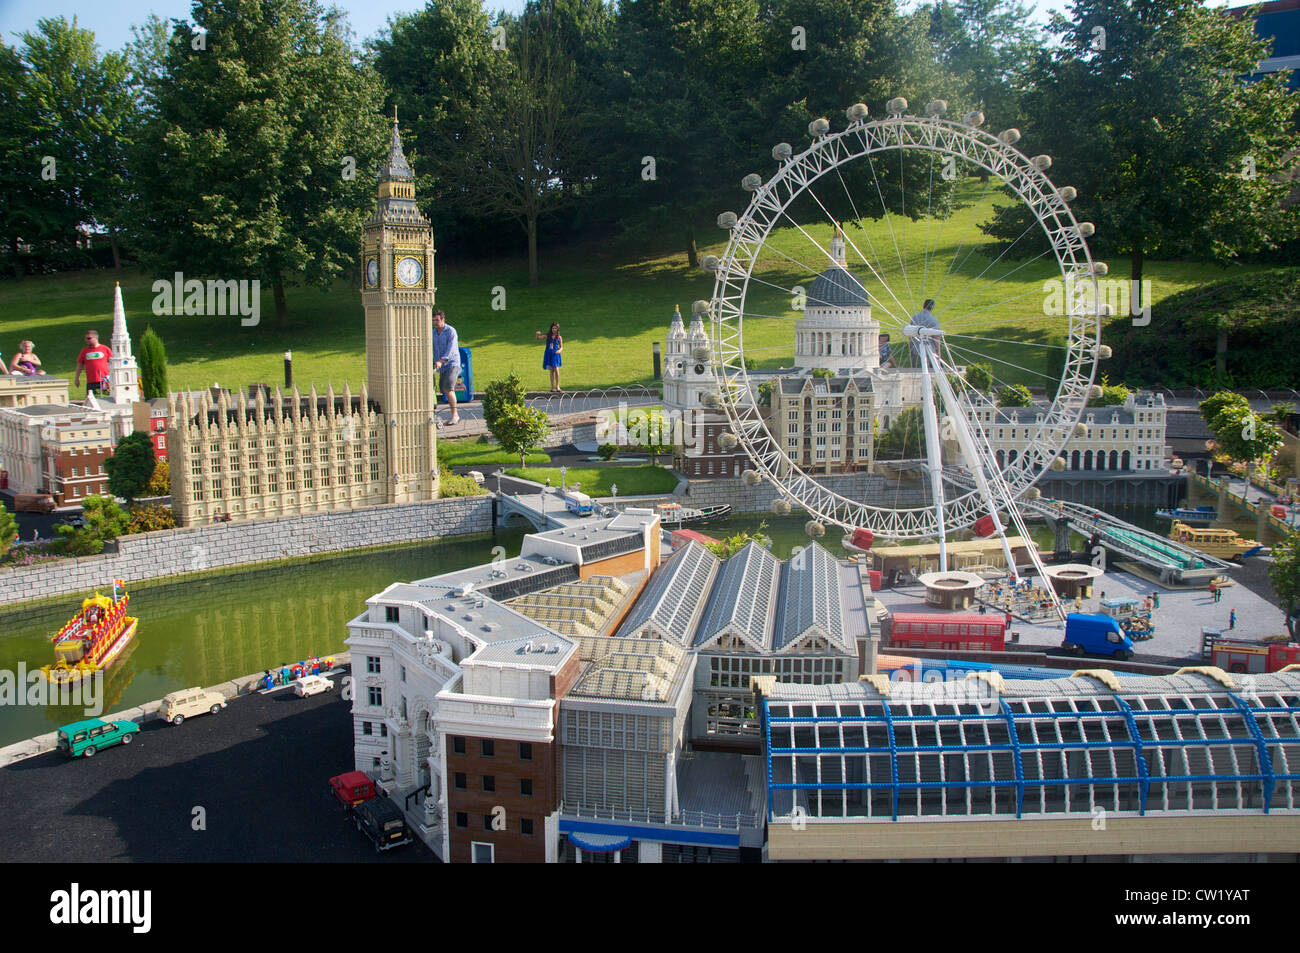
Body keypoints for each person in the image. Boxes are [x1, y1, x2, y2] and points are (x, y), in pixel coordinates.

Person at [432, 309, 460, 425]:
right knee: (443, 389)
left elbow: (451, 349)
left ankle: (455, 416)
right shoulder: (433, 333)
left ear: (443, 320)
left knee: (448, 388)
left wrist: (441, 360)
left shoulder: (450, 331)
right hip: (441, 366)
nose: (435, 322)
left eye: (437, 320)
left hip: (452, 364)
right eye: (433, 320)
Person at [73, 329, 112, 396]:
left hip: (104, 381)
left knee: (106, 398)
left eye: (89, 338)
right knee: (91, 400)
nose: (86, 340)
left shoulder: (105, 349)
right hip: (91, 381)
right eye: (86, 338)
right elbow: (79, 365)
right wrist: (77, 378)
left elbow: (113, 362)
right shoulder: (84, 351)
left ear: (96, 338)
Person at [536, 322, 563, 392]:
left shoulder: (559, 337)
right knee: (551, 370)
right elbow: (539, 338)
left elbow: (561, 347)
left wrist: (559, 350)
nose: (554, 329)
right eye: (553, 328)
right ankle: (552, 387)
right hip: (549, 354)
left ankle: (558, 386)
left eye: (555, 328)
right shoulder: (548, 336)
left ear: (557, 329)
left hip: (555, 354)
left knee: (556, 369)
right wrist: (537, 335)